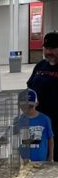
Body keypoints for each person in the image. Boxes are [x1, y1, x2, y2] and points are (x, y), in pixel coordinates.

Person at [27, 31, 58, 160]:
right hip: (39, 120)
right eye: (46, 48)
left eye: (53, 48)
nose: (49, 52)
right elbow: (30, 87)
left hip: (55, 120)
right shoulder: (40, 65)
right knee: (38, 153)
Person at [16, 88, 54, 163]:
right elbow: (14, 140)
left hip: (41, 161)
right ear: (19, 105)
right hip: (23, 161)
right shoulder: (17, 120)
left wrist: (51, 157)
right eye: (24, 106)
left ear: (36, 104)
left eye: (30, 106)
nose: (27, 108)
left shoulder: (45, 119)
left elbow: (50, 139)